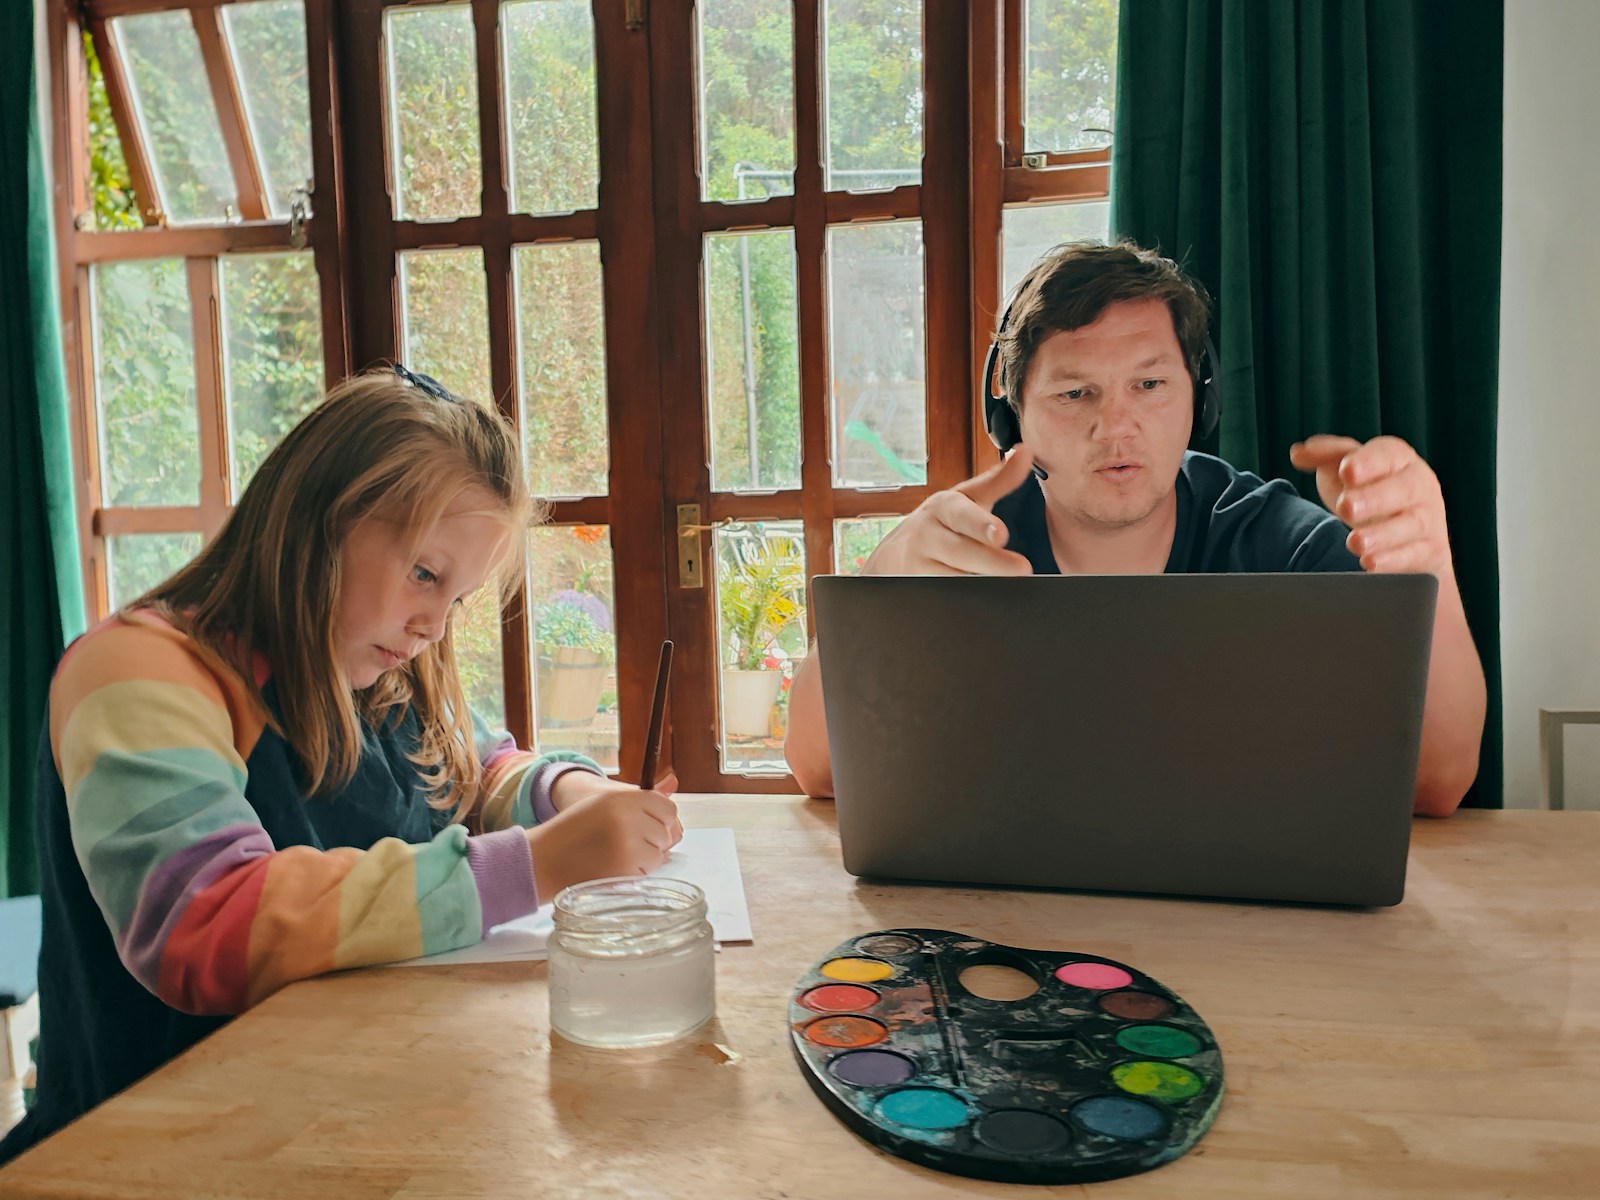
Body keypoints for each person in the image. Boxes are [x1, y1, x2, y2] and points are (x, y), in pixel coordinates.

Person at [0, 367, 680, 1163]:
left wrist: (571, 790)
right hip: (158, 1150)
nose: (433, 624)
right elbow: (208, 923)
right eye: (425, 574)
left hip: (350, 1116)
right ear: (317, 522)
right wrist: (533, 866)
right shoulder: (136, 673)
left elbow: (472, 770)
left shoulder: (377, 662)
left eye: (457, 599)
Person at [785, 241, 1486, 817]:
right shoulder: (958, 553)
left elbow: (1436, 781)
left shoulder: (1280, 542)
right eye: (1073, 392)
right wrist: (878, 587)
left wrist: (1429, 563)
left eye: (1149, 386)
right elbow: (817, 767)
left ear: (1200, 399)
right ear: (1012, 419)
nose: (1115, 426)